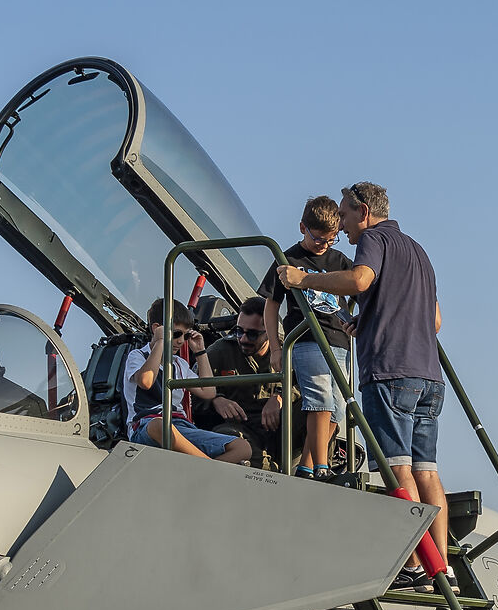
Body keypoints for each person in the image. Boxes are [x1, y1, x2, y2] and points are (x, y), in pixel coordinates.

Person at [276, 183, 445, 576]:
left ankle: (416, 563)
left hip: (390, 373)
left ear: (364, 212)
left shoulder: (373, 239)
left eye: (347, 216)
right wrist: (366, 321)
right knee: (427, 471)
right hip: (429, 377)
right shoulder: (418, 251)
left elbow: (361, 281)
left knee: (395, 468)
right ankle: (441, 565)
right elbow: (434, 321)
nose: (344, 228)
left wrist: (303, 280)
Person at [262, 195, 358, 479]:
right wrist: (276, 348)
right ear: (302, 227)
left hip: (338, 341)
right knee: (319, 400)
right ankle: (322, 467)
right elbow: (271, 307)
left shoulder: (340, 261)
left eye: (331, 240)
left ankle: (305, 465)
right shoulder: (288, 260)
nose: (324, 245)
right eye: (318, 239)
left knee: (338, 409)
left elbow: (363, 287)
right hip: (305, 339)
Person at [123, 298, 253, 463]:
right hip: (146, 426)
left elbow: (208, 392)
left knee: (242, 448)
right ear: (157, 329)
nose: (180, 341)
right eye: (176, 334)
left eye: (185, 335)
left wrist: (200, 352)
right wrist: (160, 342)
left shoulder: (179, 364)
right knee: (160, 426)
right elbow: (146, 381)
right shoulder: (138, 356)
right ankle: (205, 465)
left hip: (182, 427)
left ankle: (203, 467)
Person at [198, 298, 282, 458]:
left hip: (280, 429)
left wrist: (280, 397)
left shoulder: (288, 353)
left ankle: (311, 470)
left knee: (319, 412)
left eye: (252, 334)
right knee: (227, 439)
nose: (243, 339)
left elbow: (306, 384)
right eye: (238, 331)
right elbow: (190, 391)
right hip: (238, 427)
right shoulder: (220, 351)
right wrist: (215, 399)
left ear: (270, 332)